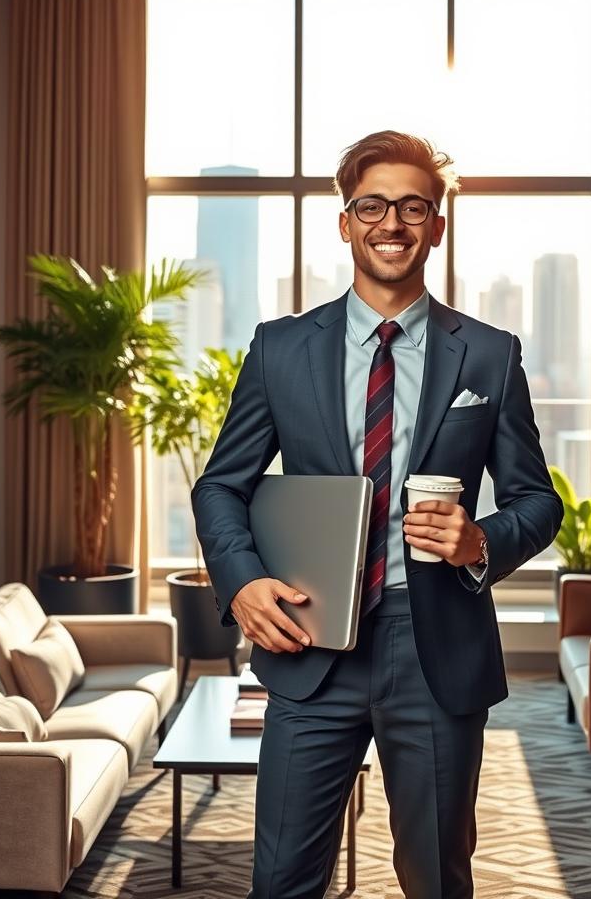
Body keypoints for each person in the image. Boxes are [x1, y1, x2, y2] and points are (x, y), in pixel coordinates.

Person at [192, 130, 564, 899]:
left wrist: (477, 542)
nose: (391, 223)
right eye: (372, 205)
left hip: (433, 649)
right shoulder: (280, 349)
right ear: (345, 221)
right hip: (310, 641)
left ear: (437, 223)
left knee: (435, 877)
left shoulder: (489, 355)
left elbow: (537, 501)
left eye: (412, 206)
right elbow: (220, 485)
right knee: (284, 880)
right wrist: (240, 583)